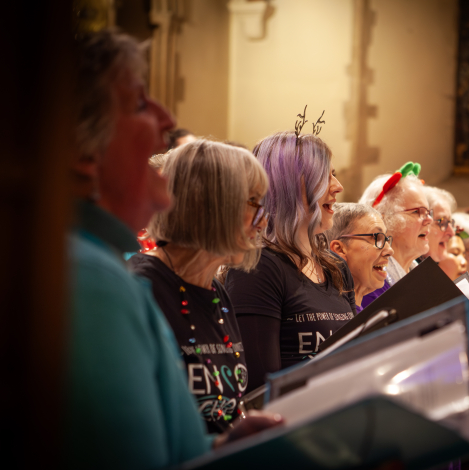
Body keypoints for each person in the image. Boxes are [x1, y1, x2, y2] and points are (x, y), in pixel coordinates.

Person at [66, 30, 280, 469]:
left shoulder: (109, 269)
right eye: (140, 103)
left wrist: (224, 447)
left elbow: (177, 447)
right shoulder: (95, 278)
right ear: (85, 150)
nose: (167, 118)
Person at [129, 140, 268, 433]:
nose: (262, 220)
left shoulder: (217, 292)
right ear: (211, 205)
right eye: (253, 202)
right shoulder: (142, 287)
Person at [225, 128, 355, 392]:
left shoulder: (336, 266)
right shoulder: (258, 267)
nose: (338, 186)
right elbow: (260, 388)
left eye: (335, 174)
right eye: (326, 176)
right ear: (292, 185)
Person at [358, 162, 433, 308]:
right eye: (417, 212)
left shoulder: (422, 276)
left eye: (428, 213)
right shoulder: (372, 286)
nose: (429, 220)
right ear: (382, 219)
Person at [324, 203, 395, 312]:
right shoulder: (330, 318)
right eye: (375, 237)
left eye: (385, 239)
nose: (390, 250)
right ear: (339, 249)